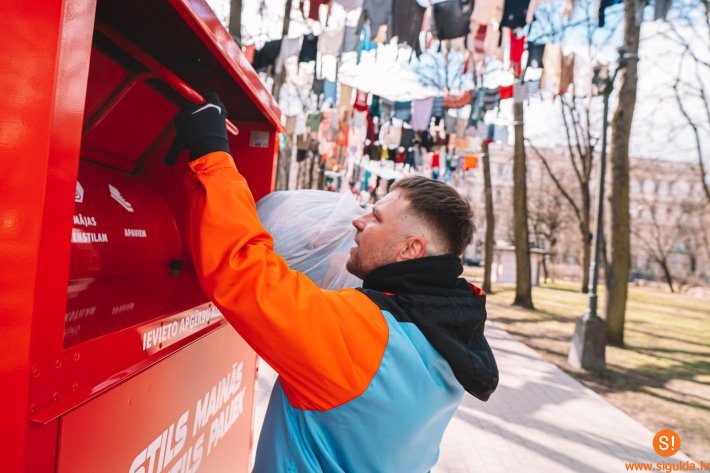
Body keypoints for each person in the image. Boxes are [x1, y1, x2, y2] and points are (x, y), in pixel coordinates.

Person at [173, 93, 498, 472]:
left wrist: (212, 152)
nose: (358, 221)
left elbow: (243, 273)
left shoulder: (367, 335)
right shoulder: (448, 342)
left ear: (411, 249)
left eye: (376, 217)